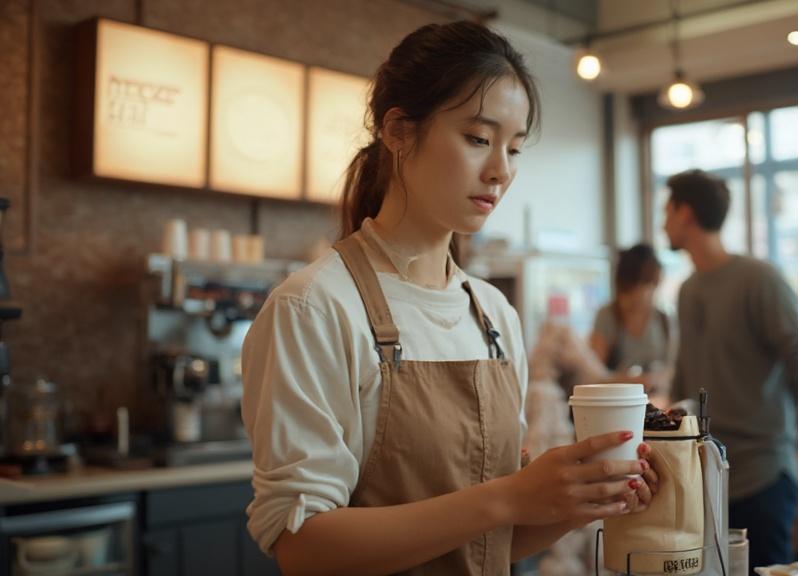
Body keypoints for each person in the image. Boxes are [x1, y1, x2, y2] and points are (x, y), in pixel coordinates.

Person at [240, 21, 658, 576]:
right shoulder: (315, 307)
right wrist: (509, 496)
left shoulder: (492, 315)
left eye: (513, 148)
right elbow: (304, 548)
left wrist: (581, 499)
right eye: (478, 139)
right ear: (398, 131)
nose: (500, 171)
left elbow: (486, 545)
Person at [662, 169, 798, 573]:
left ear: (685, 213)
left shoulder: (758, 278)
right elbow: (687, 377)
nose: (662, 222)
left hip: (764, 477)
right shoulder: (687, 290)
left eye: (665, 211)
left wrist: (772, 418)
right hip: (708, 479)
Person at [589, 243, 672, 395]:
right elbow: (594, 375)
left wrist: (657, 379)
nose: (650, 291)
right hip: (618, 402)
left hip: (655, 402)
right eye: (647, 283)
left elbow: (671, 370)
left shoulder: (663, 319)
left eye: (654, 284)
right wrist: (635, 381)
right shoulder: (608, 316)